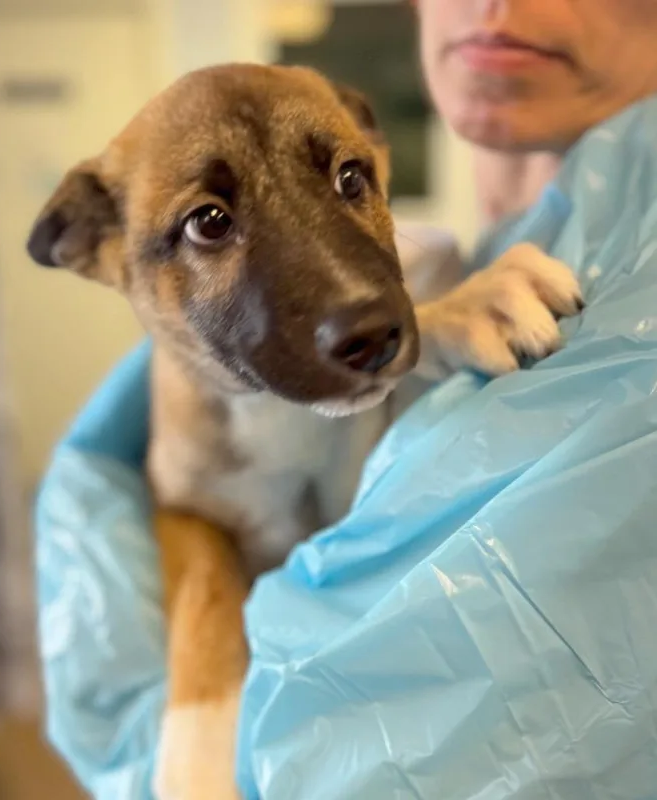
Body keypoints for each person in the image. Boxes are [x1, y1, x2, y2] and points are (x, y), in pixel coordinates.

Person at [35, 2, 657, 798]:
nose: (495, 6)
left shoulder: (621, 292)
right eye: (209, 221)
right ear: (97, 246)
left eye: (348, 177)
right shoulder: (464, 260)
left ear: (375, 154)